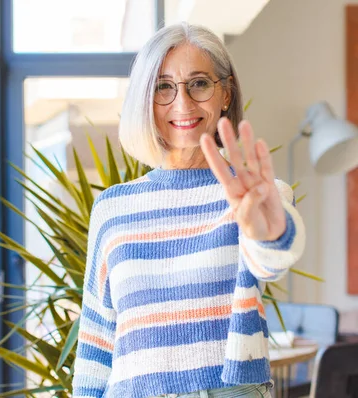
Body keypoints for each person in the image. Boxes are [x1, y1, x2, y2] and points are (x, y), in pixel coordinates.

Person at [72, 22, 306, 398]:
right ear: (145, 99)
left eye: (199, 83)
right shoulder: (112, 208)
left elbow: (270, 258)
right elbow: (98, 333)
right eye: (163, 87)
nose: (182, 104)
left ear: (225, 93)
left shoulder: (257, 195)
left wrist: (270, 233)